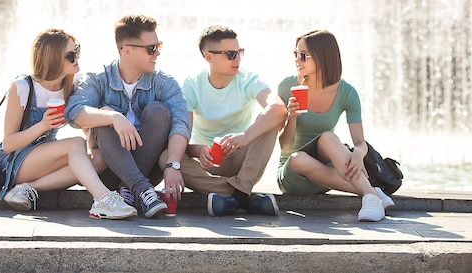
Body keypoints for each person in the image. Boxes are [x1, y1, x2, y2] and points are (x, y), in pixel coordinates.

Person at [0, 28, 137, 220]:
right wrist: (43, 126)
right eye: (71, 55)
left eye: (77, 51)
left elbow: (83, 119)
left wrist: (109, 117)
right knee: (75, 144)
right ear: (53, 58)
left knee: (99, 159)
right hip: (15, 162)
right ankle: (103, 199)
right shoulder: (22, 87)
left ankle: (28, 189)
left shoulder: (72, 83)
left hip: (47, 158)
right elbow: (8, 144)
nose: (77, 57)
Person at [66, 14, 191, 218]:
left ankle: (132, 187)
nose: (157, 53)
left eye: (158, 45)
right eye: (151, 48)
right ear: (127, 50)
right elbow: (75, 112)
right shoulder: (99, 79)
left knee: (159, 111)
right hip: (109, 171)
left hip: (149, 169)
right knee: (103, 116)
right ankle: (141, 189)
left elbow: (181, 123)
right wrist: (114, 117)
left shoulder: (164, 83)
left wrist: (173, 164)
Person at [163, 25, 287, 216]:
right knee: (166, 157)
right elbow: (181, 131)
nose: (237, 59)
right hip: (208, 164)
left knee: (269, 118)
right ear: (208, 57)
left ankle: (236, 195)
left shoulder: (248, 79)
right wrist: (198, 150)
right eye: (230, 54)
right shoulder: (192, 85)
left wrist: (244, 136)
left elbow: (279, 108)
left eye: (239, 52)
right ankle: (242, 196)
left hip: (244, 163)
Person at [276, 29, 394, 222]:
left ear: (322, 57)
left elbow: (360, 142)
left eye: (303, 56)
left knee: (328, 138)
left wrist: (358, 153)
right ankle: (371, 191)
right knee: (298, 158)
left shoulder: (347, 93)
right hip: (293, 174)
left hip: (327, 172)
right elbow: (285, 146)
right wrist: (292, 117)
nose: (297, 60)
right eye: (296, 54)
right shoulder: (287, 87)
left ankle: (371, 198)